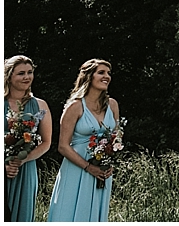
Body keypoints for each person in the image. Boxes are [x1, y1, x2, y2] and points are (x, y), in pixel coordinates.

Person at [48, 59, 120, 222]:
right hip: (77, 169)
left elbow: (117, 139)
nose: (106, 76)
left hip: (102, 171)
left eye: (108, 73)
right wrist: (88, 167)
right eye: (101, 72)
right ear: (88, 76)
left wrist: (109, 163)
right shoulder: (75, 106)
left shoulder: (113, 105)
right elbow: (63, 146)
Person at [4, 55, 52, 221]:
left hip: (25, 170)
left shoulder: (40, 105)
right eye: (21, 73)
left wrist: (22, 160)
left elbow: (46, 142)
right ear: (9, 76)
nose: (27, 77)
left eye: (30, 72)